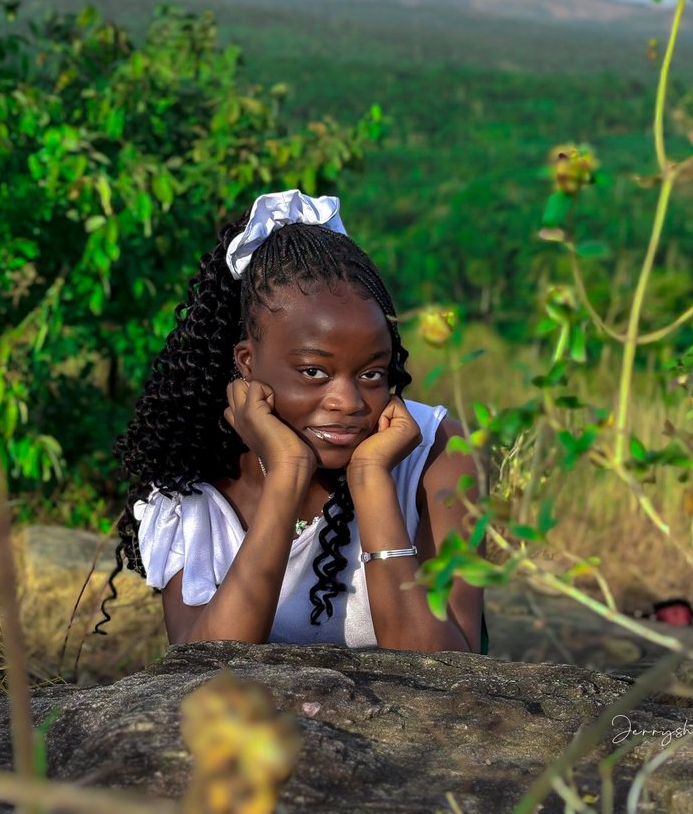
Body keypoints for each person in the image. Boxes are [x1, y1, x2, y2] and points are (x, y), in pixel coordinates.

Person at [103, 189, 488, 652]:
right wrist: (286, 474)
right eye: (314, 372)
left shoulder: (435, 452)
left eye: (371, 373)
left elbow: (452, 670)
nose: (347, 401)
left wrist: (371, 480)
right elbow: (201, 668)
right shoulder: (192, 492)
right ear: (246, 362)